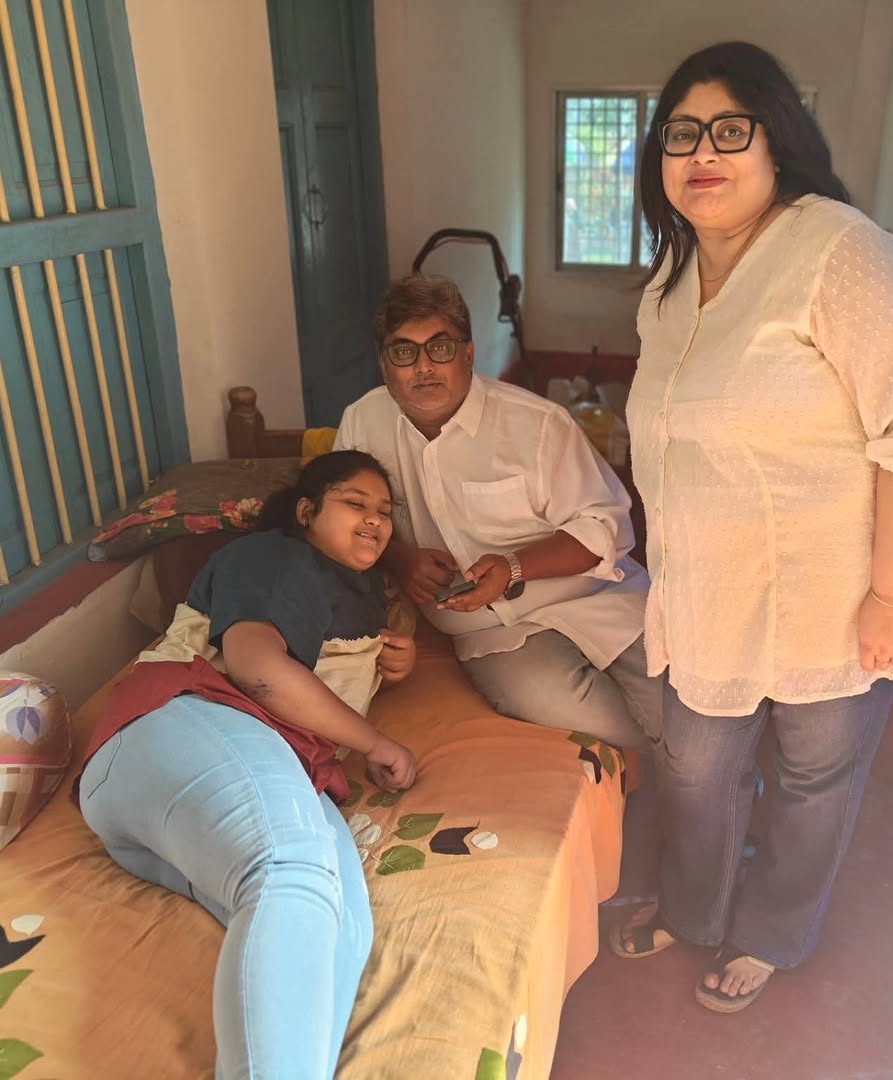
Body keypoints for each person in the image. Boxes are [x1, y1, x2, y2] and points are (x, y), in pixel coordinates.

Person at [612, 41, 893, 1013]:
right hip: (711, 591)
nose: (703, 152)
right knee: (695, 770)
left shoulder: (843, 254)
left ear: (779, 141)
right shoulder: (670, 280)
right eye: (681, 134)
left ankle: (774, 934)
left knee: (813, 779)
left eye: (730, 129)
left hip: (835, 596)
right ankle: (696, 909)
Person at [75, 451, 417, 1077]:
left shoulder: (364, 592)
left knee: (343, 924)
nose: (375, 519)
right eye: (355, 503)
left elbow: (319, 680)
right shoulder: (273, 557)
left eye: (385, 512)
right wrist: (376, 743)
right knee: (291, 870)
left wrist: (394, 664)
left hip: (232, 776)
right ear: (307, 511)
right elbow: (259, 671)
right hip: (179, 721)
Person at [333, 274, 659, 757]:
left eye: (440, 347)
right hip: (494, 635)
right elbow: (340, 522)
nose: (424, 366)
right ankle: (656, 783)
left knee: (684, 712)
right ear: (383, 363)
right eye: (404, 351)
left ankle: (701, 784)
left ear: (468, 353)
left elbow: (606, 527)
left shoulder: (537, 425)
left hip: (598, 598)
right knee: (620, 731)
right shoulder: (362, 423)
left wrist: (513, 567)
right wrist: (400, 560)